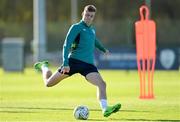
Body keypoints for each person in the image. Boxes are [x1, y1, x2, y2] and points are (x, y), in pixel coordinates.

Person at [34, 5, 121, 117]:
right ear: (82, 14)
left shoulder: (92, 30)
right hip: (73, 63)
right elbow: (66, 45)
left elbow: (95, 41)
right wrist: (65, 63)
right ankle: (43, 66)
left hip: (88, 65)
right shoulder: (76, 27)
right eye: (87, 15)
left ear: (93, 17)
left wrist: (103, 49)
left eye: (91, 16)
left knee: (102, 84)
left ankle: (105, 109)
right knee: (48, 83)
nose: (88, 17)